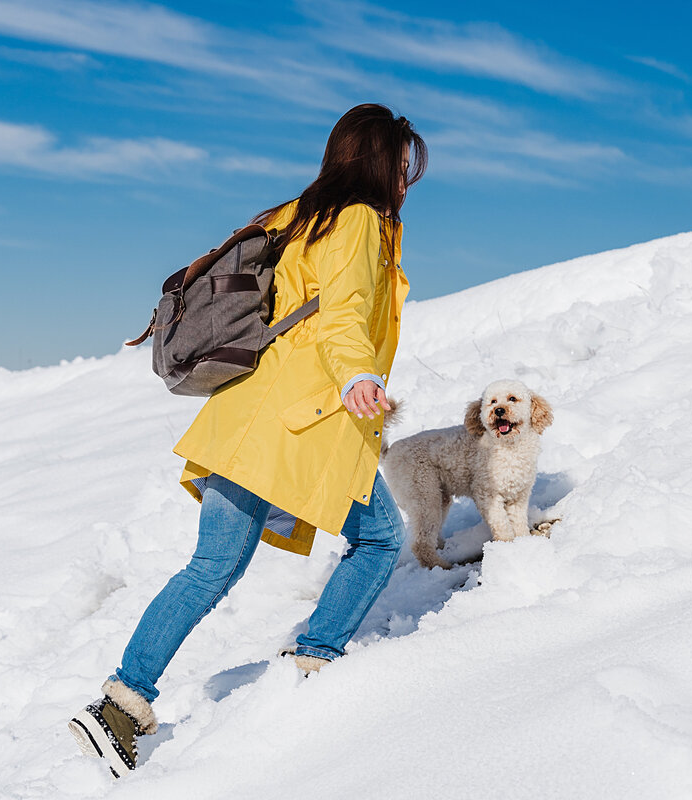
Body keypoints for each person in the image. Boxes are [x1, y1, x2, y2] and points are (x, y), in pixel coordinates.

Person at [68, 104, 427, 777]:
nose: (406, 183)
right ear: (379, 161)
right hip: (303, 420)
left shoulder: (297, 214)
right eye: (402, 168)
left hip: (248, 415)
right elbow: (346, 310)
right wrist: (358, 374)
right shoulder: (355, 220)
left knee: (211, 568)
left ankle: (119, 705)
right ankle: (314, 662)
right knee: (379, 537)